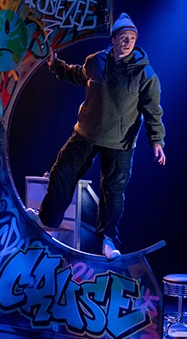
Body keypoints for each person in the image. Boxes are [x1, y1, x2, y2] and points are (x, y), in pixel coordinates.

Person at [27, 13, 166, 260]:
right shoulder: (96, 62)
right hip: (86, 133)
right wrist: (55, 66)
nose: (128, 42)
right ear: (113, 39)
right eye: (123, 37)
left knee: (113, 191)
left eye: (132, 38)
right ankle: (47, 219)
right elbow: (78, 74)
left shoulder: (145, 73)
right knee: (62, 172)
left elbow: (152, 109)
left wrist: (156, 140)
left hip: (120, 142)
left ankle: (108, 240)